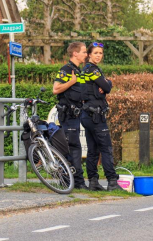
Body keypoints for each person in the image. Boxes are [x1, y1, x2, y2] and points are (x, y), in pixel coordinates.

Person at [81, 42, 124, 191]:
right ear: (89, 55)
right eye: (96, 53)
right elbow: (106, 87)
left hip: (87, 114)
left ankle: (93, 182)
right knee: (106, 148)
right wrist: (107, 84)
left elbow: (102, 86)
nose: (98, 55)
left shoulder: (85, 70)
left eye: (100, 53)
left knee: (93, 150)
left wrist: (106, 84)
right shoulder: (93, 70)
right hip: (95, 115)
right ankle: (112, 182)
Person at [53, 42, 88, 189]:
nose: (86, 54)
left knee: (75, 147)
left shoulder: (77, 70)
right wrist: (71, 82)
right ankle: (75, 181)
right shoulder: (66, 70)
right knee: (73, 147)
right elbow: (56, 89)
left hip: (75, 114)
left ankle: (71, 180)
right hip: (67, 115)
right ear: (75, 53)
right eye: (84, 52)